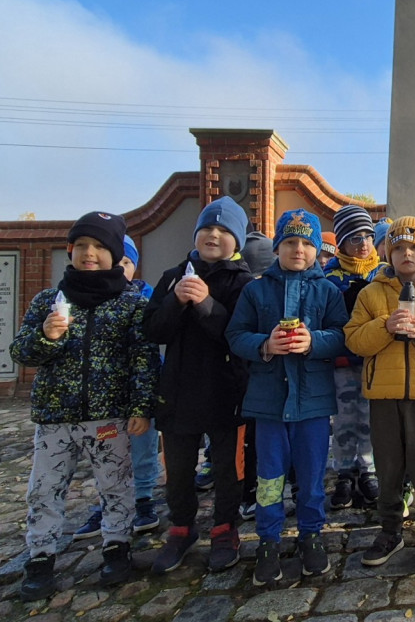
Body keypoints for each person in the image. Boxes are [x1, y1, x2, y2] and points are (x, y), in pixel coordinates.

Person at [12, 212, 161, 601]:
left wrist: (141, 407)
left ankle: (117, 546)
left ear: (114, 254)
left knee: (116, 485)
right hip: (55, 417)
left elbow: (143, 359)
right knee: (44, 488)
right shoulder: (50, 300)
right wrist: (46, 337)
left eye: (99, 247)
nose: (89, 254)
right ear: (70, 250)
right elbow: (21, 352)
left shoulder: (130, 303)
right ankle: (40, 556)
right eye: (81, 246)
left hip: (108, 416)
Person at [226, 209, 348, 586]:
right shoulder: (256, 290)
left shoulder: (328, 291)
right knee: (269, 476)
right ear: (277, 246)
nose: (298, 250)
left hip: (313, 402)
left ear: (317, 250)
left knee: (311, 476)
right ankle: (268, 539)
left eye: (307, 243)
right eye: (290, 242)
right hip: (269, 403)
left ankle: (311, 534)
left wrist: (314, 341)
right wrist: (265, 345)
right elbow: (235, 335)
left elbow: (343, 335)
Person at [344, 216, 415, 575]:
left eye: (413, 247)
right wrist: (384, 325)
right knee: (389, 467)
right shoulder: (371, 293)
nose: (406, 254)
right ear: (388, 254)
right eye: (398, 248)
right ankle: (390, 529)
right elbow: (354, 339)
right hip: (384, 397)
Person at [144, 196, 253, 574]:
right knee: (178, 468)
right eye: (207, 227)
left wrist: (206, 303)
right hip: (177, 391)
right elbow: (152, 329)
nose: (213, 235)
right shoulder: (173, 276)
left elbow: (238, 334)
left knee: (226, 468)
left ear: (236, 240)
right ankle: (181, 528)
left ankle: (225, 529)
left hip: (226, 392)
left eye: (224, 230)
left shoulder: (242, 282)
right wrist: (175, 301)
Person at [74, 235, 162, 540]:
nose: (121, 267)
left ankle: (144, 498)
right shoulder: (88, 298)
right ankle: (108, 502)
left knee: (143, 446)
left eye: (127, 262)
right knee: (106, 452)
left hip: (139, 388)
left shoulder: (145, 297)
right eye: (117, 260)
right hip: (105, 396)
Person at [324, 205, 387, 511]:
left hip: (376, 359)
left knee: (371, 417)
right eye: (355, 238)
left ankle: (369, 468)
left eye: (368, 236)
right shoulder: (330, 276)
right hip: (343, 361)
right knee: (345, 418)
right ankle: (344, 471)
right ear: (341, 243)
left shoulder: (383, 272)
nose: (363, 244)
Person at [237, 230, 277, 521]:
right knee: (247, 440)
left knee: (267, 441)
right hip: (241, 378)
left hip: (270, 380)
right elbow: (236, 333)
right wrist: (261, 345)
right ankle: (249, 491)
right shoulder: (246, 294)